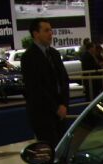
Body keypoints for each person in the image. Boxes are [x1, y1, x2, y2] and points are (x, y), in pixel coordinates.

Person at [21, 18, 70, 146]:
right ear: (36, 34)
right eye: (46, 30)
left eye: (51, 30)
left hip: (60, 112)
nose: (50, 34)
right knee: (50, 149)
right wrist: (55, 107)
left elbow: (64, 80)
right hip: (42, 114)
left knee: (62, 148)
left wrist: (64, 104)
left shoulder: (54, 54)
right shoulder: (28, 57)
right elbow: (36, 88)